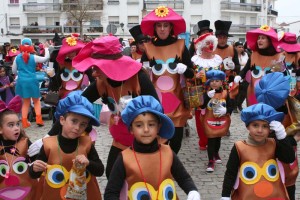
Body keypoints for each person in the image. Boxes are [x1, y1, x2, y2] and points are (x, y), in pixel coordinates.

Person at [104, 95, 201, 200]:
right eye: (139, 125)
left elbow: (183, 177)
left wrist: (192, 190)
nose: (146, 130)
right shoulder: (124, 158)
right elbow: (111, 191)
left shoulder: (168, 153)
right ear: (131, 129)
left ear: (158, 127)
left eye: (151, 124)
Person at [29, 91, 104, 199]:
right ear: (62, 120)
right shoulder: (48, 145)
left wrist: (89, 163)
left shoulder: (87, 144)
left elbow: (100, 170)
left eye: (83, 124)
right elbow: (34, 174)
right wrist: (34, 168)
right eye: (74, 121)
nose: (77, 127)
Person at [140, 6, 194, 154]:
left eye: (165, 25)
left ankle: (170, 167)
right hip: (156, 103)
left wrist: (185, 69)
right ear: (154, 28)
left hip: (177, 103)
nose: (162, 29)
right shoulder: (148, 48)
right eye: (159, 25)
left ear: (171, 27)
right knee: (155, 141)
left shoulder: (181, 46)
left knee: (175, 143)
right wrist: (145, 69)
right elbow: (140, 75)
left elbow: (192, 73)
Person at [221, 103, 295, 200]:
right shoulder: (239, 147)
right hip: (247, 196)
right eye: (255, 125)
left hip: (273, 196)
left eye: (265, 126)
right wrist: (225, 196)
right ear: (248, 127)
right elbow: (230, 173)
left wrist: (282, 137)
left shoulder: (273, 144)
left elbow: (289, 158)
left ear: (270, 129)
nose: (260, 130)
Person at [0, 96, 39, 199]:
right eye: (11, 125)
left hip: (26, 190)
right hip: (4, 192)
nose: (16, 128)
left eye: (18, 124)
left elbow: (38, 161)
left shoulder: (25, 142)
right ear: (0, 129)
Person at [234, 25, 283, 106]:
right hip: (253, 93)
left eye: (263, 38)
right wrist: (239, 76)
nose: (259, 40)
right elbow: (246, 69)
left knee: (267, 116)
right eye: (259, 38)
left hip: (270, 95)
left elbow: (280, 77)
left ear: (270, 40)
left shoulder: (278, 56)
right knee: (254, 114)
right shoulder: (254, 54)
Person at [191, 32, 222, 151]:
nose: (210, 46)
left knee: (215, 116)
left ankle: (213, 139)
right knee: (201, 118)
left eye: (211, 43)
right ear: (202, 46)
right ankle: (203, 141)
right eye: (207, 43)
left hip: (216, 94)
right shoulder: (195, 61)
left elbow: (224, 77)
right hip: (200, 93)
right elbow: (188, 78)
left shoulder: (218, 60)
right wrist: (195, 76)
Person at [12, 38, 50, 128]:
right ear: (31, 46)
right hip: (32, 80)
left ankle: (25, 122)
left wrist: (20, 74)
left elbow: (14, 71)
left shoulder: (17, 57)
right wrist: (46, 48)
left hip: (21, 81)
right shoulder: (34, 57)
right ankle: (39, 119)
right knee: (36, 101)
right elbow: (46, 58)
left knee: (25, 102)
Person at [200, 69, 233, 172]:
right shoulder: (206, 92)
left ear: (221, 82)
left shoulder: (226, 93)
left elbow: (231, 105)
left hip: (222, 120)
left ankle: (216, 153)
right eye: (212, 80)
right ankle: (210, 161)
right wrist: (205, 97)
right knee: (211, 139)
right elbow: (200, 105)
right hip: (209, 119)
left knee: (218, 138)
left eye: (217, 81)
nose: (214, 83)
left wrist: (226, 110)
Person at [234, 41, 249, 111]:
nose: (241, 48)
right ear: (235, 47)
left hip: (245, 75)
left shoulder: (246, 54)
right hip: (236, 74)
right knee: (236, 91)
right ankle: (234, 106)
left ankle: (239, 104)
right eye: (239, 47)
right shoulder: (234, 55)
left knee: (243, 92)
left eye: (242, 47)